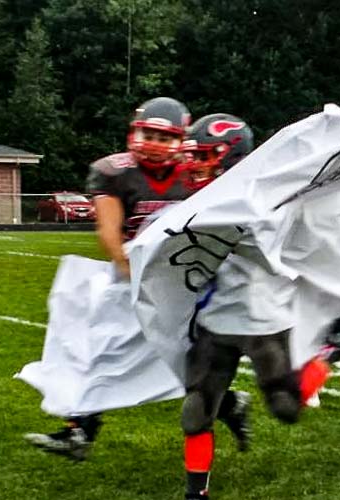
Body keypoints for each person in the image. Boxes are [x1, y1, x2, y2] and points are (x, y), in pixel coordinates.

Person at [167, 114, 340, 500]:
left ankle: (331, 347)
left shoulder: (266, 200)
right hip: (216, 320)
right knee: (196, 407)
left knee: (286, 408)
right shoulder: (206, 197)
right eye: (194, 156)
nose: (195, 164)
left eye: (204, 156)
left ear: (231, 157)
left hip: (263, 318)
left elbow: (301, 237)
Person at [23, 99, 250, 461]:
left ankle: (229, 404)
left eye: (165, 137)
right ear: (135, 133)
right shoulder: (114, 171)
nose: (155, 144)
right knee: (94, 345)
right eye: (150, 134)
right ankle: (80, 429)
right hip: (131, 272)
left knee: (172, 357)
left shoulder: (194, 171)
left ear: (181, 139)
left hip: (183, 278)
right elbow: (109, 231)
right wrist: (129, 272)